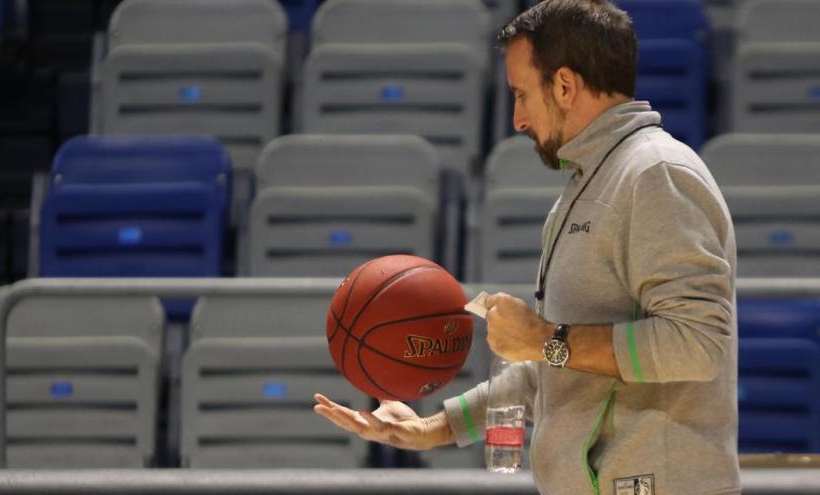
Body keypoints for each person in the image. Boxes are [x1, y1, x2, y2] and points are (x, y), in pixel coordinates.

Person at [314, 1, 740, 493]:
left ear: (564, 85)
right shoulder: (590, 185)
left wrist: (543, 339)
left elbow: (698, 344)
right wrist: (433, 429)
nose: (516, 118)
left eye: (521, 94)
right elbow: (562, 369)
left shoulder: (655, 174)